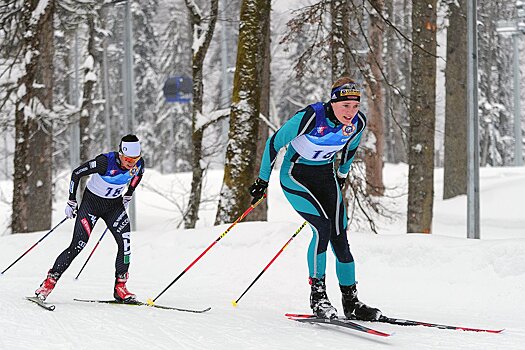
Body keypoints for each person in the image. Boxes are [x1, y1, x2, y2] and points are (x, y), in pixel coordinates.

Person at [249, 77, 381, 320]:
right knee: (322, 229)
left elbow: (350, 149)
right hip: (295, 175)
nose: (350, 112)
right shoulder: (311, 117)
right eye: (345, 106)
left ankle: (350, 301)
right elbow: (274, 143)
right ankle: (318, 297)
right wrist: (262, 180)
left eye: (355, 106)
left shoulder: (357, 123)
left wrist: (341, 174)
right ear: (333, 102)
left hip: (325, 176)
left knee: (340, 236)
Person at [34, 134, 145, 303]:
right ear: (121, 153)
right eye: (128, 159)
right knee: (78, 245)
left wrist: (128, 195)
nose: (131, 163)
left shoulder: (138, 164)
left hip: (114, 207)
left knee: (125, 243)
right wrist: (72, 200)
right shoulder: (104, 162)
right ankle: (48, 283)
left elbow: (138, 176)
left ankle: (120, 287)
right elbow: (76, 173)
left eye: (135, 159)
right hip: (91, 206)